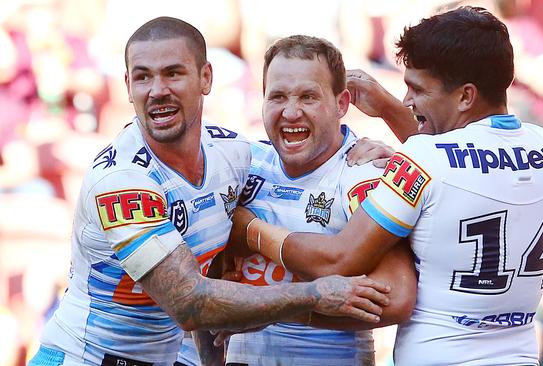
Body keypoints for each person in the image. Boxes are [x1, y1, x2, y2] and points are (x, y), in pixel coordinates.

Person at [27, 16, 391, 366]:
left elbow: (308, 166)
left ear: (206, 77)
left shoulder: (233, 155)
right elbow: (189, 301)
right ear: (127, 86)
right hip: (84, 358)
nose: (157, 90)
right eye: (143, 77)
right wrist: (314, 296)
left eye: (173, 73)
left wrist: (367, 151)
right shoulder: (121, 180)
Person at [235, 6, 543, 365]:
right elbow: (460, 167)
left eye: (418, 90)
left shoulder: (425, 159)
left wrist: (251, 231)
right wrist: (386, 110)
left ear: (465, 96)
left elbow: (340, 257)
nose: (408, 101)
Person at [196, 35, 416, 366]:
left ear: (342, 104)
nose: (291, 112)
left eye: (308, 97)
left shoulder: (362, 172)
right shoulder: (243, 164)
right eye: (278, 97)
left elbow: (396, 297)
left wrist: (273, 308)